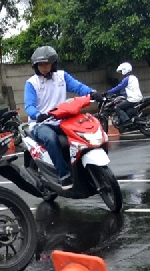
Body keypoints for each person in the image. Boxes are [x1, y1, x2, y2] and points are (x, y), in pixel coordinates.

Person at [24, 45, 100, 190]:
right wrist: (38, 115)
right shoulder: (31, 83)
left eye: (46, 63)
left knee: (82, 133)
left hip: (62, 119)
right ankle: (63, 175)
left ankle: (83, 167)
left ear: (53, 63)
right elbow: (29, 106)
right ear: (35, 66)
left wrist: (92, 92)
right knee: (51, 139)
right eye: (40, 64)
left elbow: (78, 87)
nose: (43, 67)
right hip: (41, 123)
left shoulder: (62, 76)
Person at [104, 62, 143, 126]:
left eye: (122, 71)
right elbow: (131, 89)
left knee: (117, 107)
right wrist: (122, 94)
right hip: (138, 97)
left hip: (133, 99)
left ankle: (126, 121)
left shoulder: (126, 79)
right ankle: (132, 119)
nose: (122, 73)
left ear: (125, 70)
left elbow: (119, 87)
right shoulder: (134, 78)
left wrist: (108, 92)